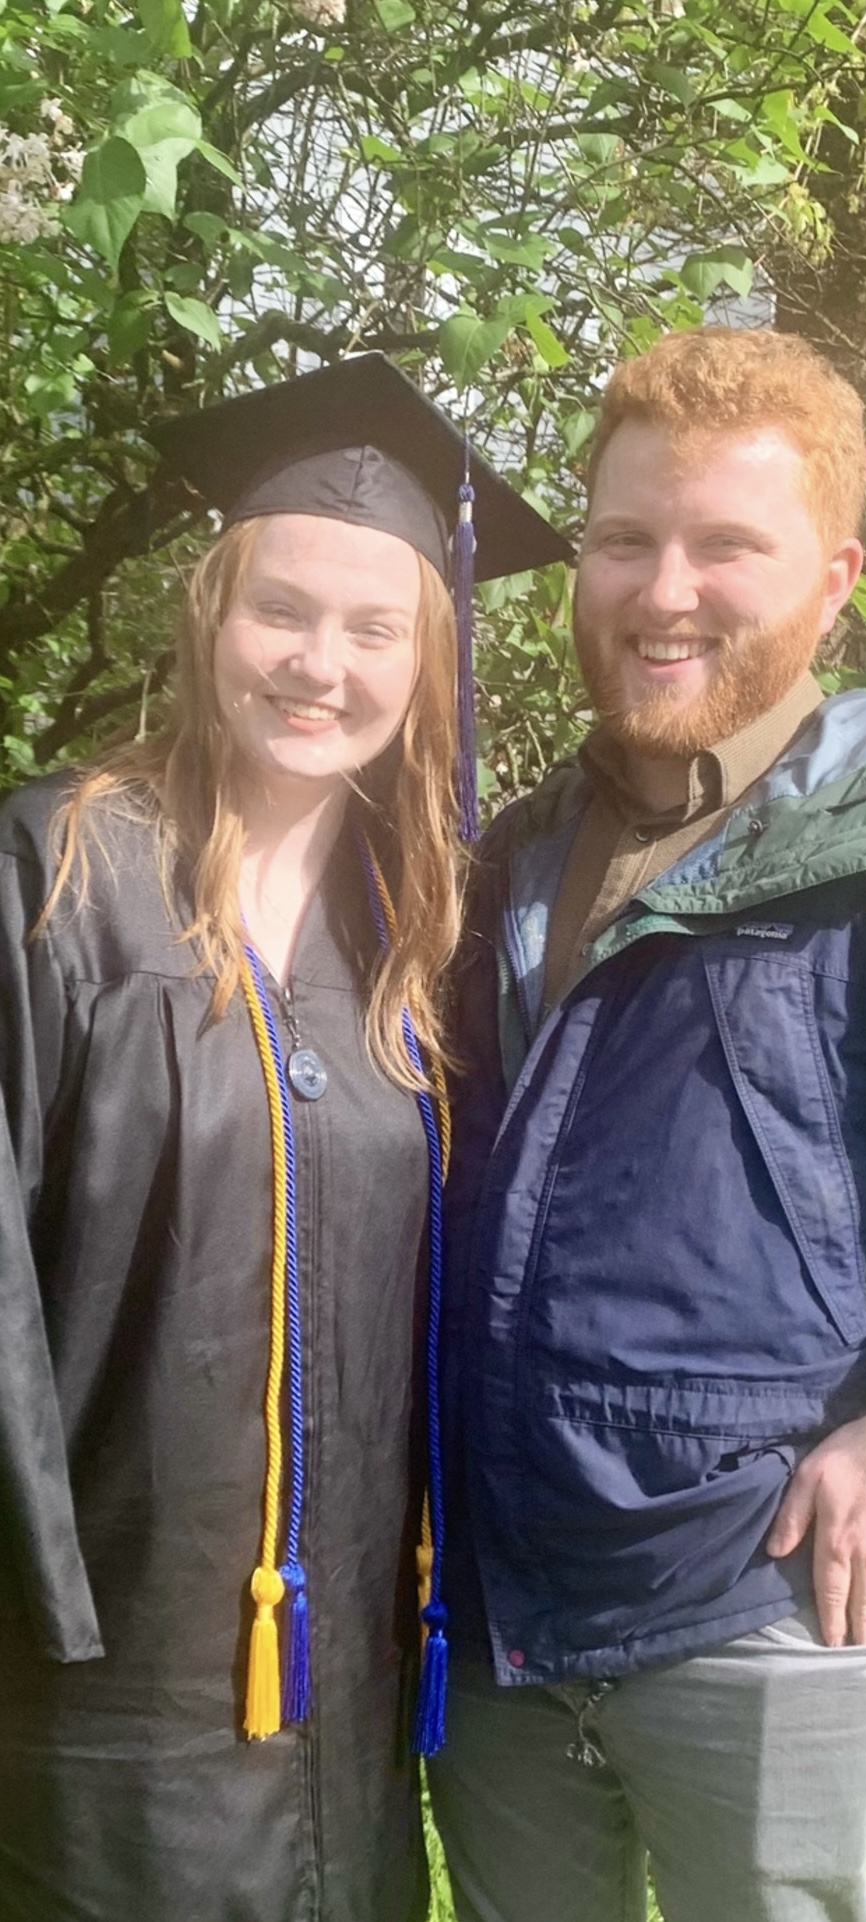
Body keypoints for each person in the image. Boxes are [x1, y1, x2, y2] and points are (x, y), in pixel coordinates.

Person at [0, 353, 569, 1920]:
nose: (322, 663)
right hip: (107, 1691)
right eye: (283, 610)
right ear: (211, 617)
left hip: (354, 1687)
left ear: (425, 661)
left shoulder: (415, 929)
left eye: (374, 627)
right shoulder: (55, 877)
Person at [428, 327, 866, 1922]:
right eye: (624, 539)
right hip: (506, 1603)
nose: (663, 592)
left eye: (727, 545)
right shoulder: (513, 853)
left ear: (834, 579)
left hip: (755, 1594)